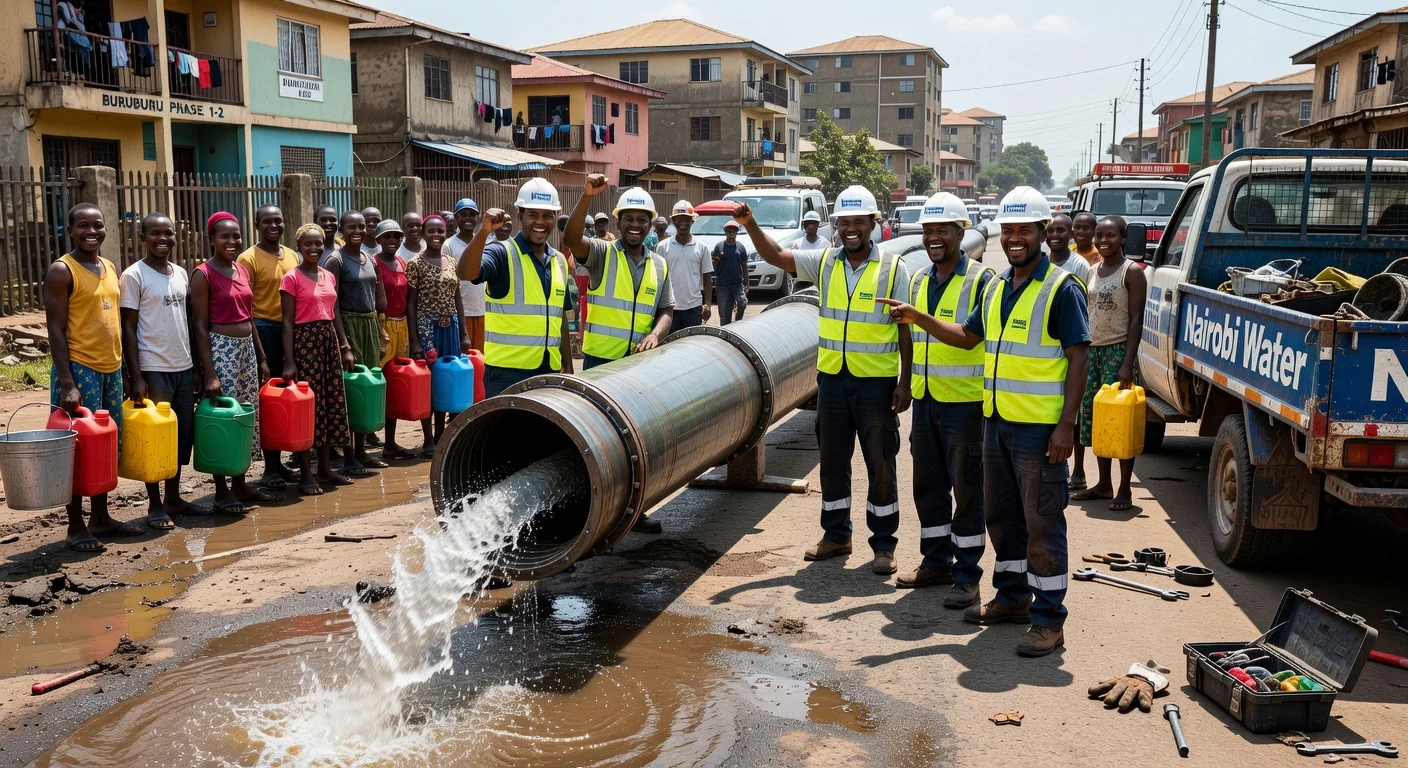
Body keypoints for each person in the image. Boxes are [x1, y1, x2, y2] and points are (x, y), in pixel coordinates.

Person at [877, 185, 1090, 658]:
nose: (1015, 238)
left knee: (1042, 523)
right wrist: (918, 317)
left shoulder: (1061, 288)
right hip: (996, 423)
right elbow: (966, 336)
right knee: (1002, 517)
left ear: (1042, 233)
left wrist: (1066, 425)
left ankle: (1049, 620)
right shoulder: (997, 288)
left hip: (1039, 430)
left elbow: (1079, 357)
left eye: (1024, 230)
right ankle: (1012, 598)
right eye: (1008, 230)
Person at [738, 185, 912, 576]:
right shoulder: (825, 262)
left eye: (858, 222)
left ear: (872, 224)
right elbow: (776, 256)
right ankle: (836, 535)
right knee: (833, 462)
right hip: (832, 381)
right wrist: (750, 225)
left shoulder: (892, 268)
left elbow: (905, 328)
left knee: (881, 463)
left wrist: (906, 380)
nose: (851, 229)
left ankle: (884, 544)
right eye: (844, 222)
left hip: (876, 384)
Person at [893, 193, 992, 604]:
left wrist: (918, 317)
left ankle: (967, 575)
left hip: (965, 405)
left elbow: (970, 340)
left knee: (967, 491)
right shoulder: (919, 280)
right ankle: (935, 561)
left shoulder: (982, 281)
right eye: (928, 230)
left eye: (942, 230)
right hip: (926, 400)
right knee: (928, 487)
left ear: (961, 233)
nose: (933, 237)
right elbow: (908, 333)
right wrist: (905, 381)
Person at [45, 203, 141, 552]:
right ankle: (75, 525)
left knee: (104, 446)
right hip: (79, 369)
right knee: (77, 448)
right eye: (83, 226)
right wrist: (68, 383)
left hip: (111, 369)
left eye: (97, 225)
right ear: (70, 231)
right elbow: (55, 329)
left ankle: (101, 517)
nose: (91, 232)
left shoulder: (109, 266)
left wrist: (126, 372)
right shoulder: (62, 271)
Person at [457, 177, 574, 398]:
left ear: (555, 218)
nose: (540, 222)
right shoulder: (501, 252)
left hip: (548, 370)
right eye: (533, 215)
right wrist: (484, 232)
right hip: (506, 373)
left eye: (547, 215)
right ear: (520, 216)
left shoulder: (559, 260)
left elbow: (560, 317)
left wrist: (567, 364)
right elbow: (466, 273)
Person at [192, 212, 276, 515]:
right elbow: (199, 325)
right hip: (221, 349)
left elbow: (249, 315)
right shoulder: (203, 274)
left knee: (244, 414)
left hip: (246, 351)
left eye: (236, 236)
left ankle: (240, 482)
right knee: (223, 417)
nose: (231, 241)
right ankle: (221, 490)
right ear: (212, 239)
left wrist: (261, 357)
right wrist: (209, 373)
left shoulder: (240, 269)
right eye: (224, 236)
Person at [120, 213, 198, 529]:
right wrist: (135, 376)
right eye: (155, 233)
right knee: (155, 438)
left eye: (168, 232)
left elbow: (188, 322)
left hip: (184, 366)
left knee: (178, 436)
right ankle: (154, 504)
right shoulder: (133, 276)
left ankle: (173, 498)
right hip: (153, 368)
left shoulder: (181, 273)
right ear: (142, 237)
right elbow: (128, 327)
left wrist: (196, 368)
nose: (162, 238)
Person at [1070, 215, 1146, 511]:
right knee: (1097, 419)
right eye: (1099, 235)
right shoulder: (1092, 270)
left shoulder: (1132, 272)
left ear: (1123, 238)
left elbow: (1136, 319)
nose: (1103, 240)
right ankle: (1103, 484)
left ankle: (1124, 487)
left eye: (1110, 235)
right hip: (1093, 353)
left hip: (1118, 352)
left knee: (1121, 420)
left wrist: (1127, 363)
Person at [561, 179, 674, 370]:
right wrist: (587, 196)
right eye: (628, 219)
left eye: (642, 220)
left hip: (640, 360)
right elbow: (571, 239)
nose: (635, 224)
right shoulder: (602, 253)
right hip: (600, 360)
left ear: (649, 225)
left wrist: (656, 334)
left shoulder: (660, 265)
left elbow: (666, 310)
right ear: (618, 223)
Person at [279, 224, 356, 494]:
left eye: (318, 243)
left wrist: (344, 346)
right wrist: (289, 360)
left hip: (328, 343)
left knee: (330, 403)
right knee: (309, 408)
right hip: (305, 344)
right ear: (299, 247)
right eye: (308, 244)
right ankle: (306, 474)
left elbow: (334, 313)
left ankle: (324, 470)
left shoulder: (328, 276)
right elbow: (287, 321)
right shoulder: (291, 278)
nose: (314, 248)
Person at [236, 204, 300, 489]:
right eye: (267, 221)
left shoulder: (293, 256)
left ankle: (280, 461)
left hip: (290, 331)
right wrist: (260, 352)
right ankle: (269, 467)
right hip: (263, 331)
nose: (273, 226)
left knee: (285, 397)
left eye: (278, 220)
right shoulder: (248, 258)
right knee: (268, 399)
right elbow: (245, 305)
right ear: (257, 225)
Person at [324, 211, 389, 476]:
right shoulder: (335, 260)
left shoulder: (369, 259)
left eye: (361, 227)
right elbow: (333, 305)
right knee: (350, 391)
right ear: (342, 230)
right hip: (348, 327)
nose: (358, 231)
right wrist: (344, 344)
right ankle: (348, 456)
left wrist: (380, 330)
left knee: (367, 387)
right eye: (351, 227)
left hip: (369, 326)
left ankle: (362, 450)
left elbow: (377, 298)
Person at [372, 219, 434, 459]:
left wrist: (413, 336)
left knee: (399, 383)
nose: (393, 240)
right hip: (383, 328)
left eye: (396, 236)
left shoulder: (402, 263)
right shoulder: (374, 263)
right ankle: (379, 439)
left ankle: (391, 443)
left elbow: (410, 302)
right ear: (378, 240)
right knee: (383, 384)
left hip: (402, 327)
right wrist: (379, 330)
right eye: (387, 236)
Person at [407, 215, 471, 439]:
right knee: (429, 383)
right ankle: (428, 438)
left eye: (440, 231)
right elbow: (411, 304)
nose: (436, 235)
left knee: (450, 379)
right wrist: (415, 340)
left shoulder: (452, 262)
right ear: (423, 234)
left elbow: (457, 298)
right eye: (431, 231)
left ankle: (445, 435)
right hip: (428, 328)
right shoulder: (415, 263)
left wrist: (464, 334)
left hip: (451, 327)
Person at [658, 199, 712, 329]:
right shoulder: (662, 247)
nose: (683, 223)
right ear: (673, 221)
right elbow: (658, 278)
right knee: (671, 341)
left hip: (694, 307)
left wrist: (708, 304)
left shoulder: (702, 247)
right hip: (670, 307)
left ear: (692, 221)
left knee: (692, 340)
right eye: (679, 219)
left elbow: (707, 278)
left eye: (687, 219)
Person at [444, 198, 487, 353]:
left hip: (484, 311)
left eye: (472, 214)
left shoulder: (484, 241)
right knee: (463, 357)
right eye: (463, 214)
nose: (468, 218)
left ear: (478, 217)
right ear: (456, 218)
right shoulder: (448, 245)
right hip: (461, 314)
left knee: (482, 358)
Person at [712, 221, 748, 325]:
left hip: (737, 283)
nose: (731, 232)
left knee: (742, 303)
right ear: (725, 232)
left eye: (733, 230)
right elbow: (714, 262)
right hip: (722, 284)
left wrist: (747, 283)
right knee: (724, 314)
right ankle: (725, 330)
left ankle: (738, 322)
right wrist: (719, 257)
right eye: (729, 230)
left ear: (737, 232)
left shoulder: (741, 247)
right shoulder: (719, 247)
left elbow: (744, 266)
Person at [1045, 213, 1091, 286]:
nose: (1054, 235)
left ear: (1071, 234)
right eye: (1050, 230)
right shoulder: (1041, 261)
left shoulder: (1079, 265)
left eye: (1060, 230)